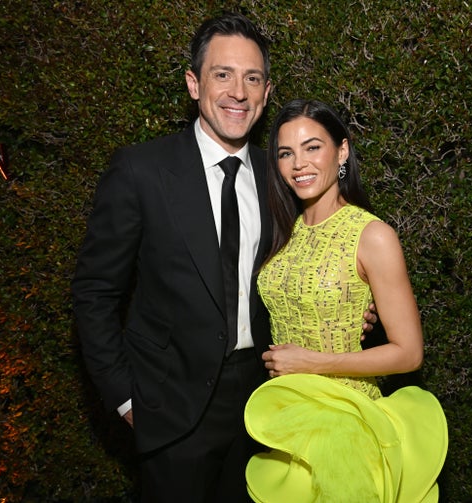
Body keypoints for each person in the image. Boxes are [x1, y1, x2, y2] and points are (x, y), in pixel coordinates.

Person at [71, 14, 377, 502]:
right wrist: (126, 399)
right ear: (194, 84)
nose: (238, 91)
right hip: (169, 407)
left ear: (266, 91)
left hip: (269, 399)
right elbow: (94, 293)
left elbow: (320, 256)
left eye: (252, 78)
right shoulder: (141, 170)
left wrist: (356, 301)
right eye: (222, 74)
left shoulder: (280, 173)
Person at [243, 99, 449, 502]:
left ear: (342, 151)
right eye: (286, 153)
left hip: (347, 423)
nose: (299, 163)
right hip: (288, 420)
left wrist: (313, 362)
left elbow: (409, 354)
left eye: (312, 147)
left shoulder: (372, 235)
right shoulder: (284, 232)